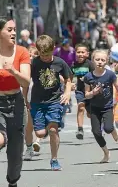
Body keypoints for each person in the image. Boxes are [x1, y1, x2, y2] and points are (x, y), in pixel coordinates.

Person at [0, 16, 31, 187]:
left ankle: (12, 182)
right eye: (9, 30)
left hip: (16, 104)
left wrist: (13, 70)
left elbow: (26, 82)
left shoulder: (22, 52)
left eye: (14, 29)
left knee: (15, 155)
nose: (14, 33)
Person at [29, 35, 72, 171]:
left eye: (48, 55)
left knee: (53, 130)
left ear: (53, 49)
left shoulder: (60, 62)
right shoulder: (34, 63)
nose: (45, 57)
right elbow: (25, 81)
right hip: (37, 101)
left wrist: (67, 93)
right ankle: (48, 126)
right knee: (40, 134)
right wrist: (24, 98)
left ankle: (54, 159)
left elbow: (68, 79)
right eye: (42, 55)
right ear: (38, 51)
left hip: (54, 100)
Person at [84, 50, 118, 163]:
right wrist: (93, 93)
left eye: (102, 60)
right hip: (94, 108)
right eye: (97, 59)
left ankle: (114, 131)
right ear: (92, 61)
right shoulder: (88, 77)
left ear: (106, 61)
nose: (100, 62)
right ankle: (106, 152)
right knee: (96, 132)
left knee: (108, 128)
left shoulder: (110, 75)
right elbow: (86, 94)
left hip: (107, 107)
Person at [71, 43, 94, 140]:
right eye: (78, 52)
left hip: (91, 91)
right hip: (80, 91)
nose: (80, 54)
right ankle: (80, 129)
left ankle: (97, 126)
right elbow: (70, 77)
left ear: (87, 54)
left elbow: (95, 76)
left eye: (82, 52)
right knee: (81, 107)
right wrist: (70, 84)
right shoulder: (73, 65)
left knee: (90, 114)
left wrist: (87, 78)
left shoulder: (90, 64)